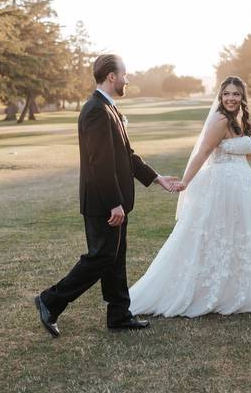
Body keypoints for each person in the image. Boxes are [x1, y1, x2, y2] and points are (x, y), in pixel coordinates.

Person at [34, 54, 181, 336]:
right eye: (124, 74)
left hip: (113, 201)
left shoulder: (109, 109)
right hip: (103, 203)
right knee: (101, 257)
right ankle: (50, 301)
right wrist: (114, 202)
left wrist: (156, 178)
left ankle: (119, 314)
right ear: (112, 76)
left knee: (115, 257)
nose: (127, 79)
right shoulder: (96, 111)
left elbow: (126, 155)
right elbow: (99, 163)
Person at [128, 76, 251, 317]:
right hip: (221, 187)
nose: (231, 98)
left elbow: (241, 155)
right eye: (226, 94)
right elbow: (203, 153)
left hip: (242, 188)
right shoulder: (220, 119)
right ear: (221, 97)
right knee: (212, 236)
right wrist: (185, 181)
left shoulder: (241, 121)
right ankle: (203, 291)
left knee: (238, 235)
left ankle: (234, 291)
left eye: (236, 94)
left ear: (243, 96)